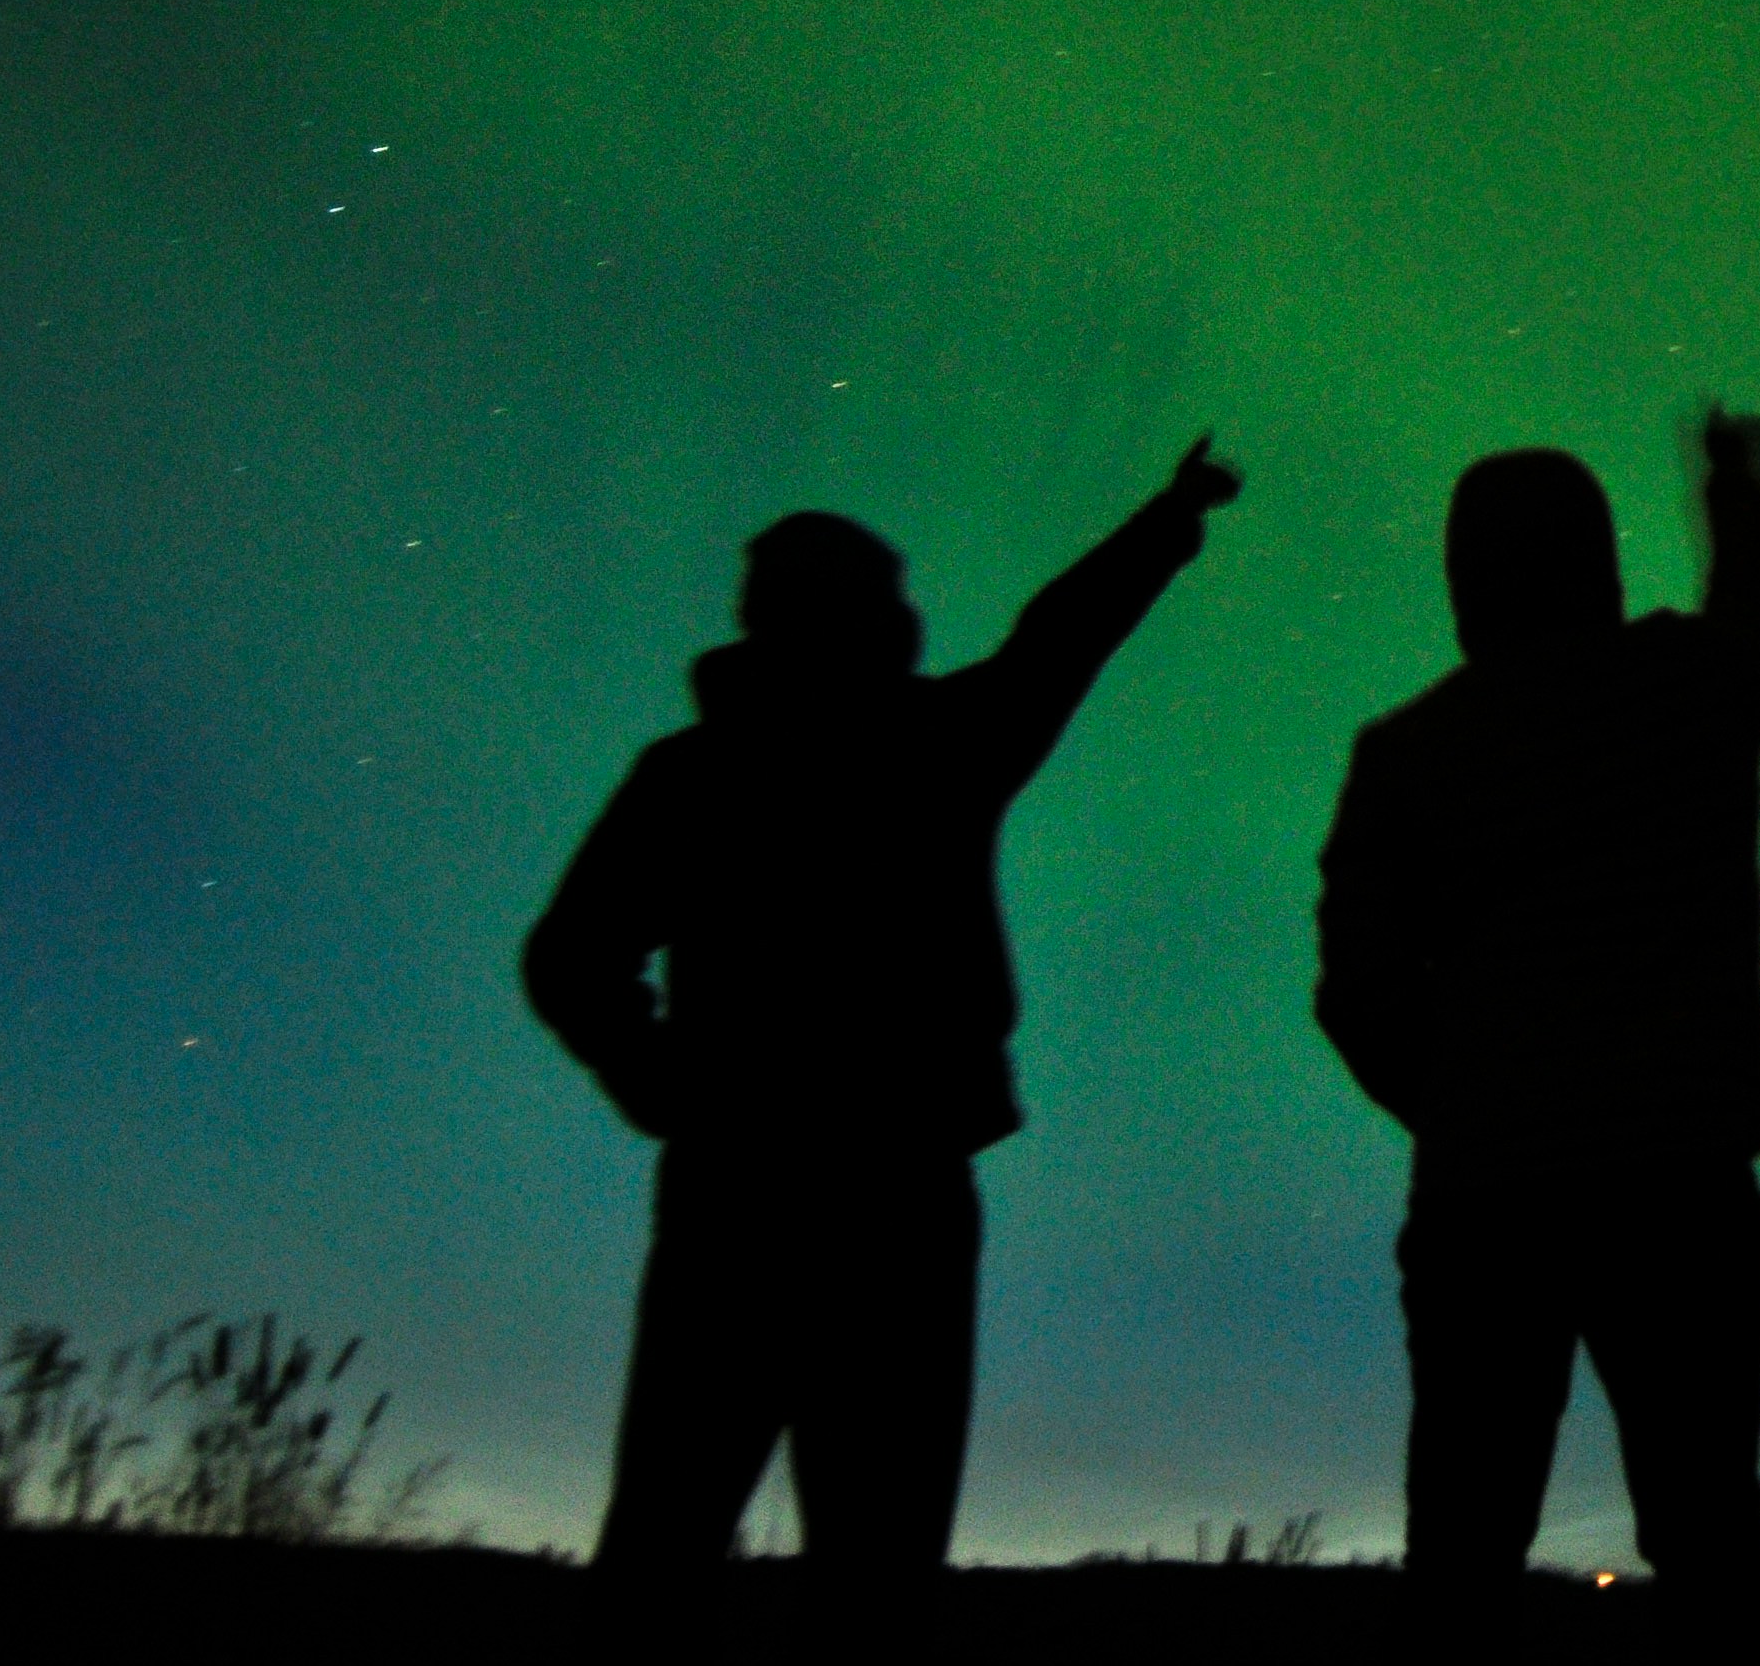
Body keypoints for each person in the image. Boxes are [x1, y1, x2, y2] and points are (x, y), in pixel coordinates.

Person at [525, 436, 1242, 1571]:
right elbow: (1058, 638)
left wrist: (660, 1079)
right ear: (865, 613)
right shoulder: (925, 745)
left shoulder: (713, 769)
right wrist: (1169, 520)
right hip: (865, 1194)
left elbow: (570, 958)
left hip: (765, 1191)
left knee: (686, 1531)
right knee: (850, 1550)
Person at [1313, 406, 1760, 1629]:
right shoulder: (1685, 688)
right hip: (1679, 1180)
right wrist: (1740, 482)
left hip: (1489, 1199)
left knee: (1463, 1541)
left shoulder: (1410, 752)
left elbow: (1358, 989)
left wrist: (1462, 1109)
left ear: (1465, 573)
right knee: (1708, 1531)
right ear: (1593, 554)